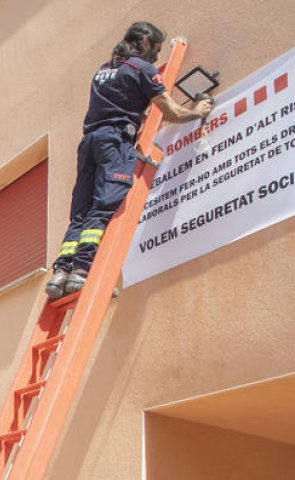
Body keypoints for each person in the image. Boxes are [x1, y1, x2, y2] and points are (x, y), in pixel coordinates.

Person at [46, 21, 214, 299]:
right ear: (145, 43)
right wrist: (197, 111)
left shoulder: (104, 70)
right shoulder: (143, 69)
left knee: (81, 213)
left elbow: (118, 102)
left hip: (89, 142)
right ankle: (81, 271)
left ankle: (61, 272)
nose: (158, 57)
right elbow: (171, 113)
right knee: (103, 207)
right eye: (157, 49)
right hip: (115, 143)